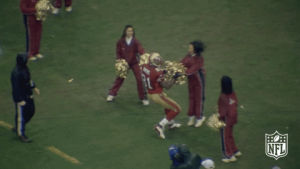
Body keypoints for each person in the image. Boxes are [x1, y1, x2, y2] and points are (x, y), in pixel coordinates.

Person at [141, 53, 181, 139]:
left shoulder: (144, 66)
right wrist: (174, 78)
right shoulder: (157, 72)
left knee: (167, 105)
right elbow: (167, 86)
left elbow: (152, 72)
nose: (160, 60)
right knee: (177, 109)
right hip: (157, 94)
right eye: (157, 59)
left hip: (150, 93)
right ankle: (160, 125)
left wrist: (164, 71)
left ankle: (171, 123)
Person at [107, 25, 149, 105]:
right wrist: (119, 61)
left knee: (140, 79)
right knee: (120, 78)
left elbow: (141, 50)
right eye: (128, 31)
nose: (130, 32)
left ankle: (143, 97)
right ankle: (111, 94)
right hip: (124, 63)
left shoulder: (135, 41)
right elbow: (118, 52)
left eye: (131, 31)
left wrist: (144, 56)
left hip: (134, 63)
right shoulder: (120, 42)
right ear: (125, 32)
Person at [11, 53, 40, 143]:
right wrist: (19, 100)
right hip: (21, 97)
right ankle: (21, 134)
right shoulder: (16, 73)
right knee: (21, 116)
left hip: (28, 94)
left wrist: (34, 87)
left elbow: (28, 80)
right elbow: (16, 88)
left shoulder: (25, 69)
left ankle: (19, 125)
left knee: (31, 111)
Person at [181, 41, 206, 127]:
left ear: (195, 49)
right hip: (191, 80)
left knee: (198, 98)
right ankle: (191, 117)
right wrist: (176, 67)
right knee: (191, 97)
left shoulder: (199, 59)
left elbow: (192, 70)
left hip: (199, 80)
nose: (189, 48)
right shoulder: (188, 55)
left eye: (191, 47)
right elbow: (182, 62)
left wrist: (181, 73)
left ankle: (199, 118)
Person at [218, 76, 242, 163]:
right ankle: (235, 151)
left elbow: (222, 112)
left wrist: (218, 117)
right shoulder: (233, 94)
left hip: (225, 120)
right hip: (233, 119)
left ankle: (229, 155)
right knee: (230, 135)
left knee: (225, 137)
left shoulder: (223, 97)